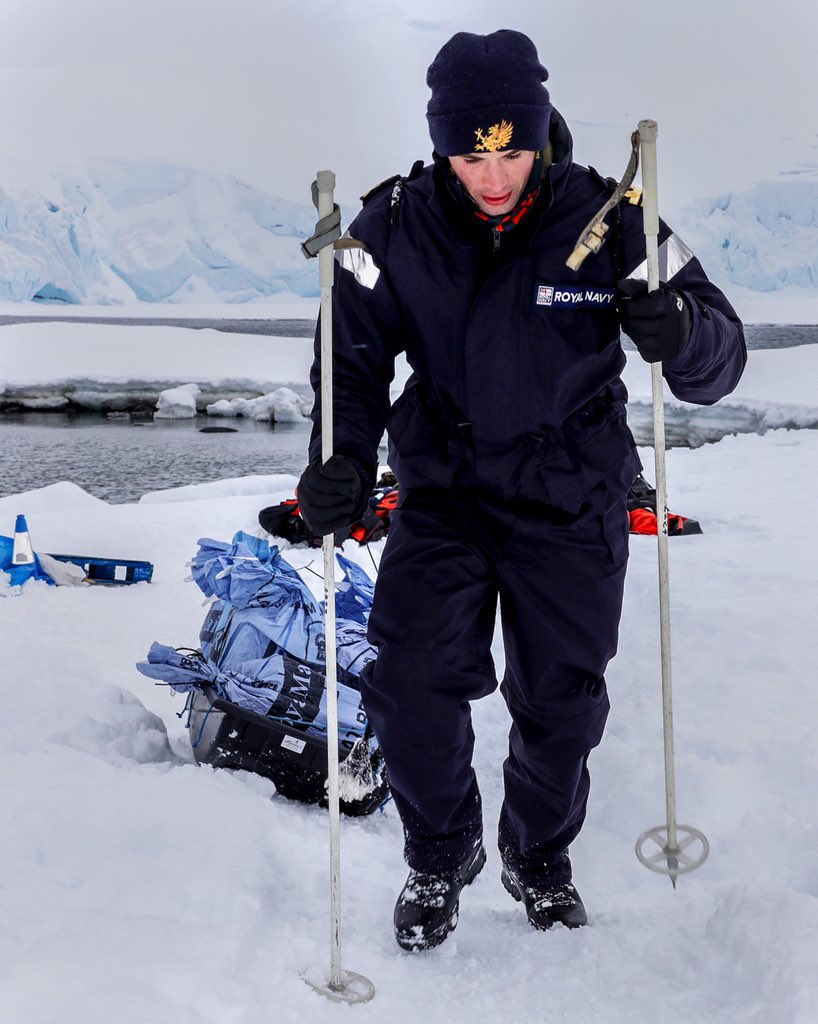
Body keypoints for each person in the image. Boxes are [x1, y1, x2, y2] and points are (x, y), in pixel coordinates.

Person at [295, 29, 746, 951]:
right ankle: (441, 851)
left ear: (540, 136)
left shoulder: (612, 219)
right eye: (471, 153)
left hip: (573, 495)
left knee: (561, 703)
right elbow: (350, 364)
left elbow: (719, 355)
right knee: (411, 679)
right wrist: (338, 461)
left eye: (511, 151)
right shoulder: (388, 227)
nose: (493, 176)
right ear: (442, 146)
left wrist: (683, 331)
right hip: (448, 490)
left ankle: (538, 860)